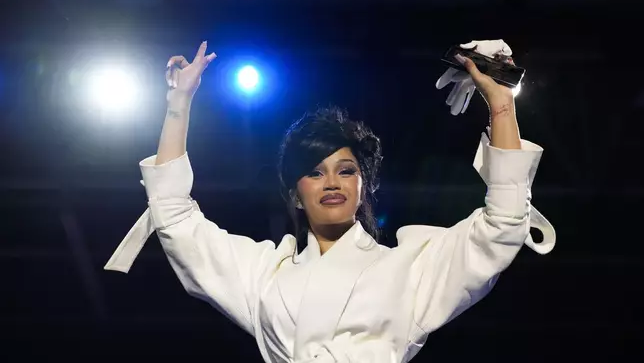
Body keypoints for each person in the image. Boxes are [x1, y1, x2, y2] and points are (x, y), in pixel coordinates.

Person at [105, 40, 556, 363]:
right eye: (315, 173)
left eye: (346, 170)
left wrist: (500, 103)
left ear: (364, 186)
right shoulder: (264, 275)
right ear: (294, 196)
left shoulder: (409, 268)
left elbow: (503, 223)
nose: (332, 183)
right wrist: (178, 103)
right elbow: (175, 216)